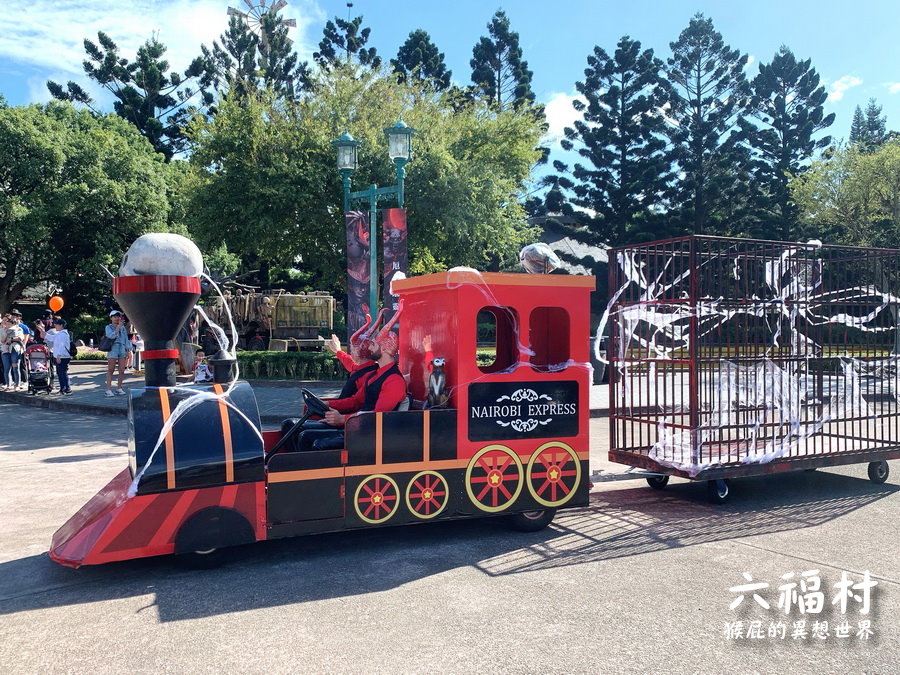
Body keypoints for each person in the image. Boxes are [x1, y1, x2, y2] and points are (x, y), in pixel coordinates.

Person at [295, 310, 406, 452]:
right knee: (303, 433)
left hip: (369, 434)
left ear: (384, 348)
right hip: (360, 428)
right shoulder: (376, 374)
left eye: (374, 345)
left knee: (309, 438)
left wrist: (343, 419)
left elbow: (378, 415)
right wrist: (327, 404)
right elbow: (355, 401)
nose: (369, 348)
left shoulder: (394, 381)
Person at [104, 310, 132, 397]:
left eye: (118, 317)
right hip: (113, 348)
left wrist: (128, 350)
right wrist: (118, 327)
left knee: (122, 369)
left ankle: (119, 388)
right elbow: (111, 336)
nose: (116, 319)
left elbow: (126, 339)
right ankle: (108, 389)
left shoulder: (123, 328)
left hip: (122, 348)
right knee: (111, 369)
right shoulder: (108, 327)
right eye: (114, 317)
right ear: (111, 318)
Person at [47, 318, 73, 395]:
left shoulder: (63, 334)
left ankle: (67, 389)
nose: (55, 325)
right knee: (60, 373)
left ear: (61, 325)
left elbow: (62, 346)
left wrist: (58, 356)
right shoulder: (60, 333)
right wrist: (42, 331)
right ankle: (63, 389)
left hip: (63, 357)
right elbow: (51, 338)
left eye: (57, 324)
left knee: (62, 372)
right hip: (61, 356)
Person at [3, 310, 27, 391]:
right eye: (7, 323)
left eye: (10, 323)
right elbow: (3, 340)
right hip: (5, 350)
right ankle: (8, 385)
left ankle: (17, 384)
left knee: (15, 367)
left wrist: (12, 339)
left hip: (15, 349)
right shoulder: (4, 329)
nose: (8, 325)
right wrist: (5, 333)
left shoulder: (19, 329)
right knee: (6, 368)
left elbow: (21, 337)